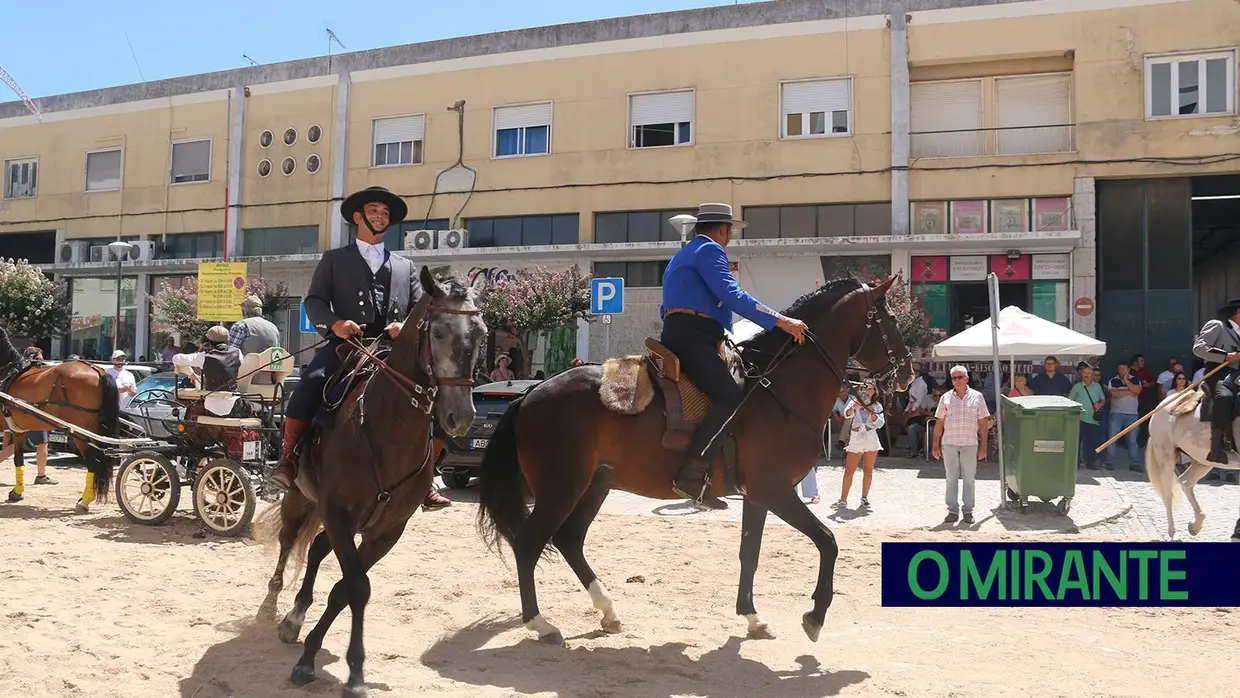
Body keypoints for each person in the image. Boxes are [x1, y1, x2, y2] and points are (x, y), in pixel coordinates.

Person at [267, 186, 451, 510]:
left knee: (436, 394)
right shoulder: (335, 259)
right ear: (358, 216)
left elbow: (417, 309)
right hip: (348, 345)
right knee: (309, 383)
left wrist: (404, 327)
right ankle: (289, 458)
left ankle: (427, 478)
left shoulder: (405, 265)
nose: (381, 216)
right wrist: (336, 324)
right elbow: (314, 301)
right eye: (375, 210)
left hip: (393, 350)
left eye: (385, 212)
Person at [658, 203, 807, 510]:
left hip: (680, 331)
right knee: (729, 398)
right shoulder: (711, 251)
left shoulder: (681, 255)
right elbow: (733, 296)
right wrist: (781, 320)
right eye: (730, 232)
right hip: (695, 336)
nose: (730, 237)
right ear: (724, 230)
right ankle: (693, 474)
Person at [932, 365, 990, 525]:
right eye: (954, 378)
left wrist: (984, 446)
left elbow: (984, 424)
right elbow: (939, 422)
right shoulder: (945, 398)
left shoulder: (977, 397)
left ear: (966, 378)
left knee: (969, 478)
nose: (956, 380)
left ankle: (968, 510)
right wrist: (935, 444)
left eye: (959, 377)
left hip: (970, 443)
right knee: (951, 478)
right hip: (949, 442)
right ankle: (952, 510)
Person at [1191, 298, 1240, 465]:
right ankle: (1217, 447)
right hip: (1220, 373)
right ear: (1238, 312)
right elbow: (1198, 348)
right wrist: (1225, 356)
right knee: (1225, 397)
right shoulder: (1218, 326)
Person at [835, 379, 885, 509]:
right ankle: (843, 499)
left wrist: (872, 412)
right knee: (849, 470)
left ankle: (864, 497)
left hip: (871, 438)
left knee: (868, 470)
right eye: (864, 388)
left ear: (874, 391)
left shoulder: (877, 406)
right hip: (856, 437)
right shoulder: (854, 401)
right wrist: (854, 407)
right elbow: (846, 414)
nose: (867, 391)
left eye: (870, 388)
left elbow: (880, 424)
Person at [172, 326, 243, 392]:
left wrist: (191, 373)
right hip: (233, 399)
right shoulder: (238, 352)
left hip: (212, 401)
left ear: (208, 341)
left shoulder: (204, 357)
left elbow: (176, 358)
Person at [1069, 366, 1106, 469]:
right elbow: (1070, 401)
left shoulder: (1097, 386)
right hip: (1079, 419)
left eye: (1089, 373)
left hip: (1093, 420)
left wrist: (1099, 404)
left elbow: (1103, 399)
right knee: (1077, 442)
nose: (1086, 375)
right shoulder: (1077, 387)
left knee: (1093, 443)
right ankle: (1075, 464)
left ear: (1092, 375)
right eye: (1084, 373)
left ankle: (1091, 463)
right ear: (1081, 374)